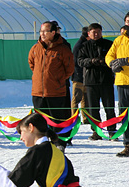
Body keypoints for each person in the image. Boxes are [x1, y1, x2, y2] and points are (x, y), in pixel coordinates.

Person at [27, 21, 74, 150]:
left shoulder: (63, 49)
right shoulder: (35, 48)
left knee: (57, 119)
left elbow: (69, 68)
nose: (42, 34)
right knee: (40, 119)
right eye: (41, 31)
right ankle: (43, 142)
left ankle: (59, 143)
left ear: (53, 33)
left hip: (56, 91)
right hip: (38, 91)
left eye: (45, 31)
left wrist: (57, 80)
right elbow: (32, 64)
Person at [77, 23, 116, 141]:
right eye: (93, 32)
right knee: (93, 108)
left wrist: (103, 62)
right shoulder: (84, 46)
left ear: (101, 32)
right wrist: (91, 61)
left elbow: (113, 59)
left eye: (98, 32)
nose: (96, 34)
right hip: (90, 82)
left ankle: (112, 131)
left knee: (109, 107)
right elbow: (80, 61)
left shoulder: (109, 44)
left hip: (106, 81)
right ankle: (96, 132)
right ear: (88, 33)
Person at [105, 24, 129, 157]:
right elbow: (109, 55)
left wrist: (126, 60)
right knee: (125, 114)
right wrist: (112, 64)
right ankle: (128, 144)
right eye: (126, 21)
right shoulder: (119, 40)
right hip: (122, 82)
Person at [71, 27, 89, 124]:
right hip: (78, 77)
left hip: (84, 76)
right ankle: (74, 119)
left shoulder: (84, 44)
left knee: (85, 99)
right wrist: (79, 75)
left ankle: (85, 118)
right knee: (76, 98)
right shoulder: (80, 45)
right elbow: (76, 62)